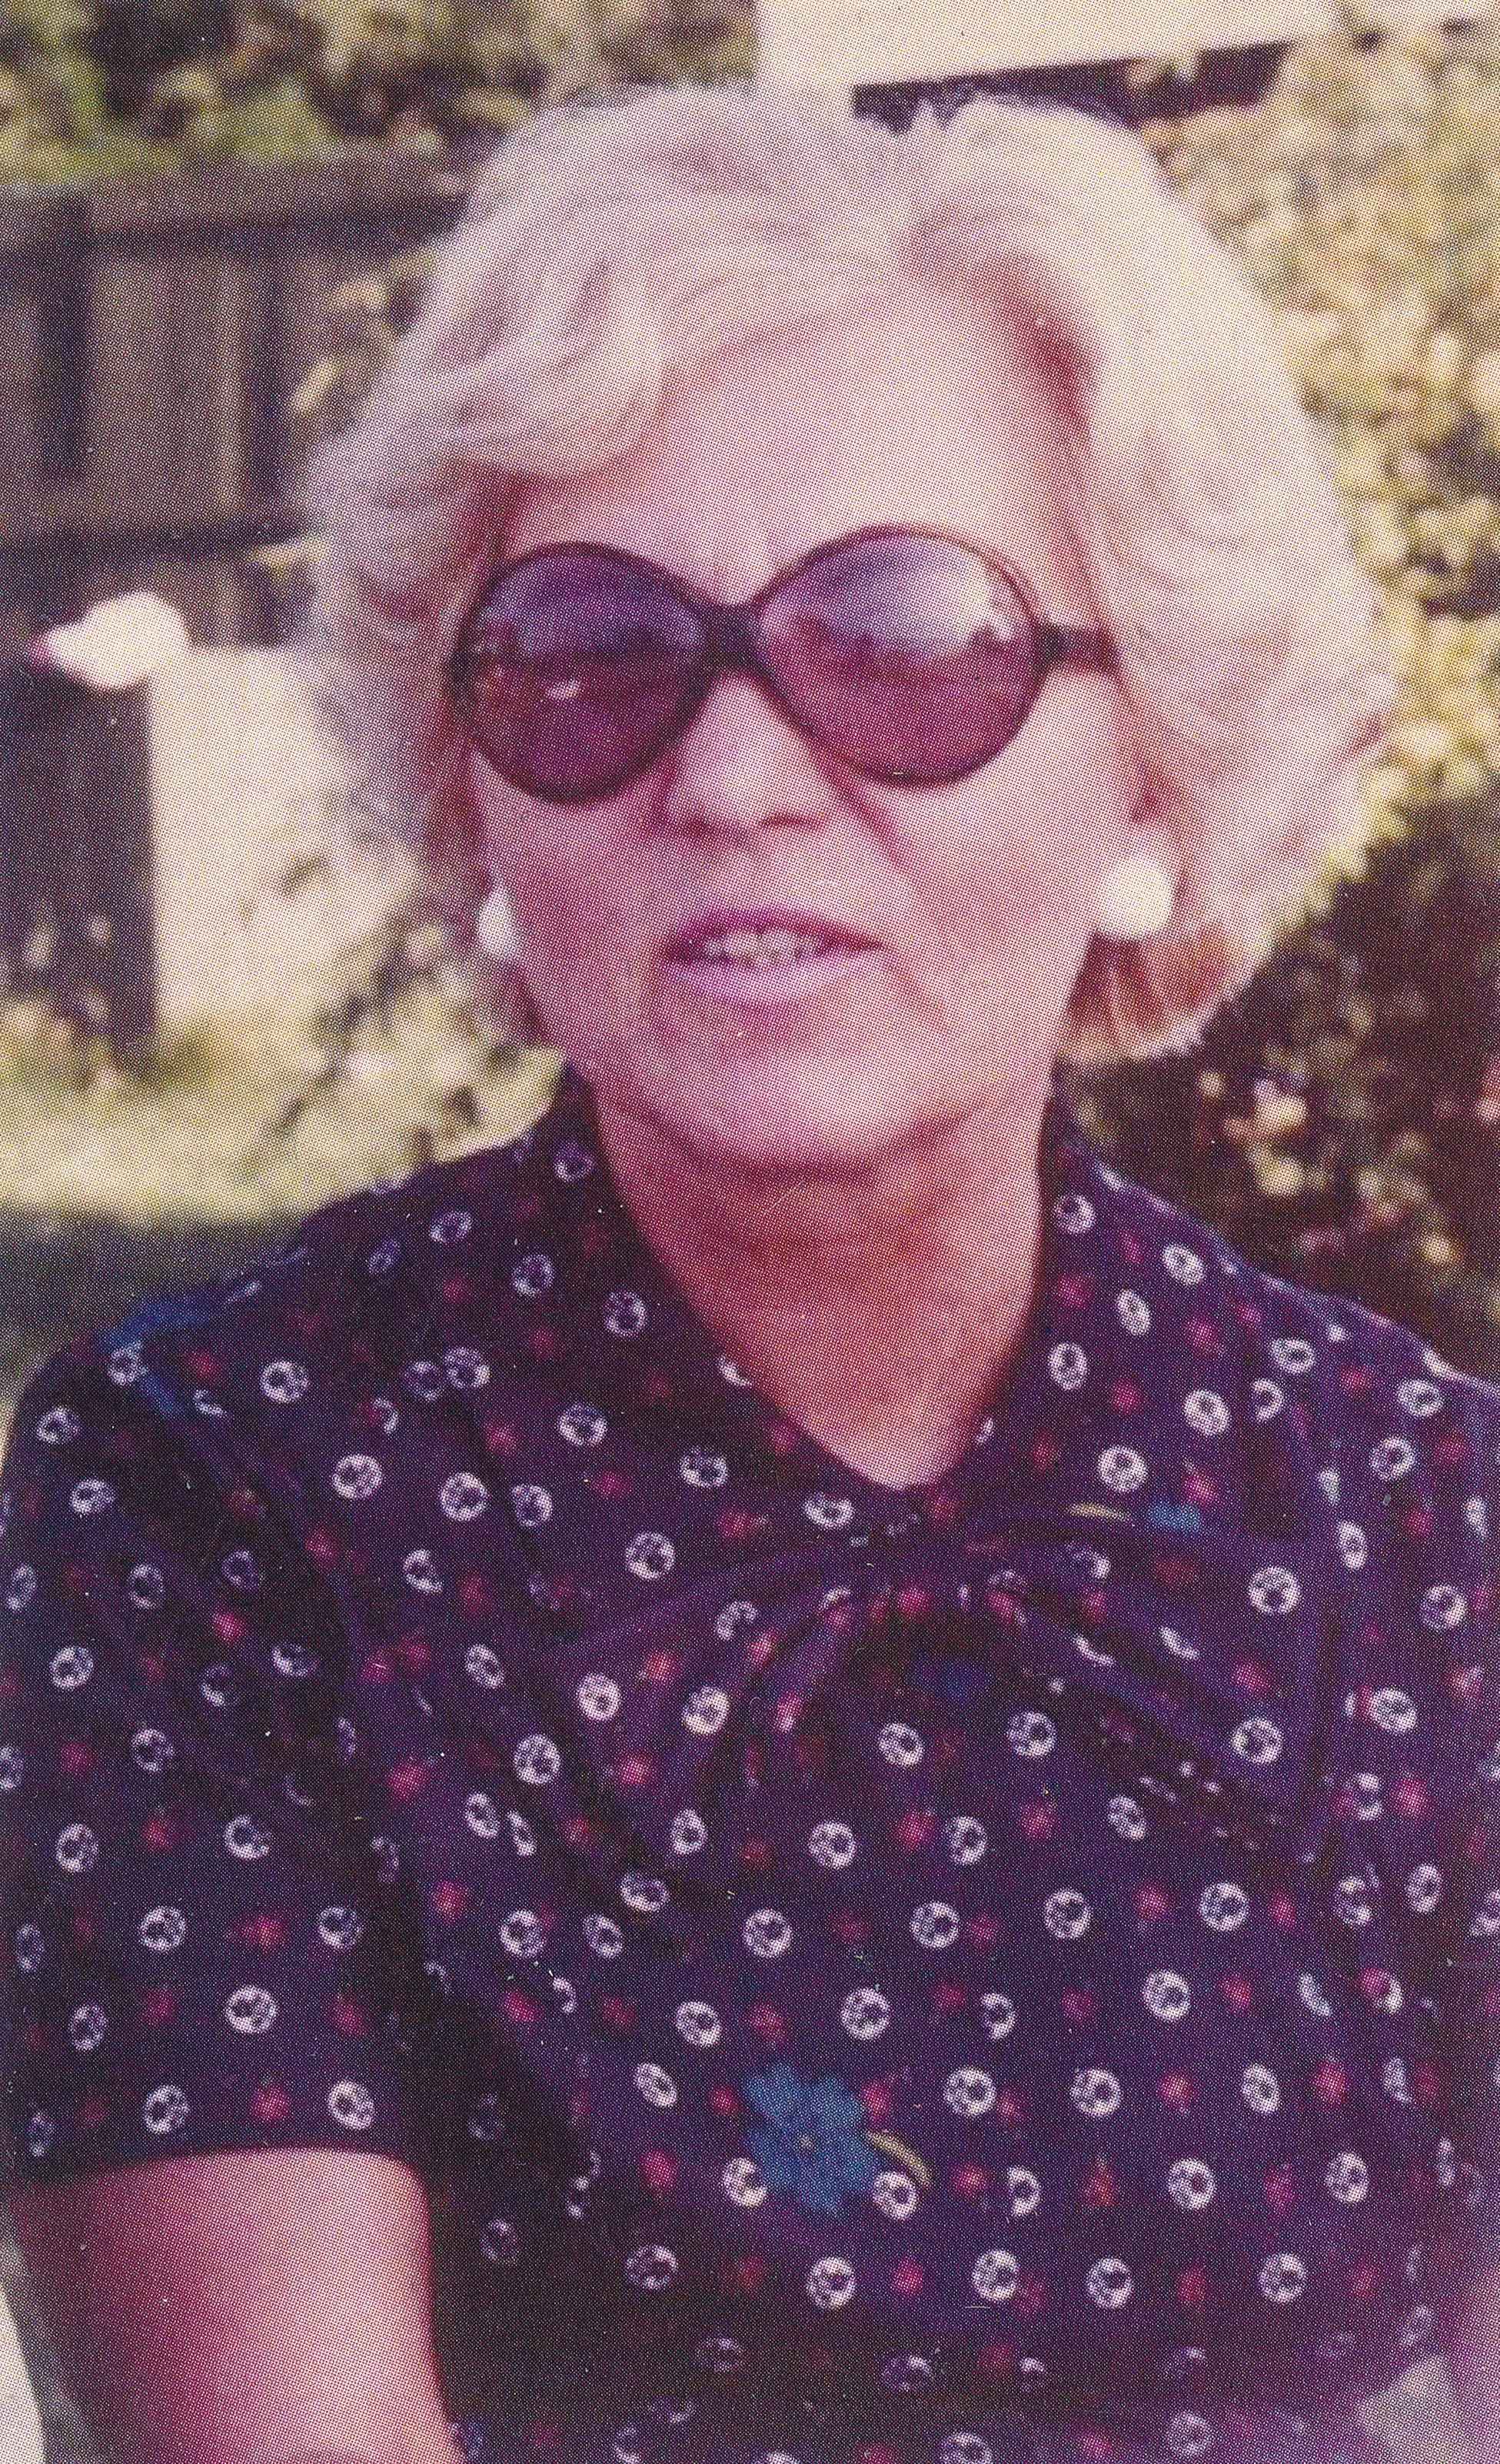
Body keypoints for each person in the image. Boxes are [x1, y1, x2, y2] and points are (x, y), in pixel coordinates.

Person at [2, 81, 1498, 2464]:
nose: (734, 776)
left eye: (902, 642)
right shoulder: (205, 1499)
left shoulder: (1424, 1524)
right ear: (473, 782)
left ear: (1152, 765)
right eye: (593, 656)